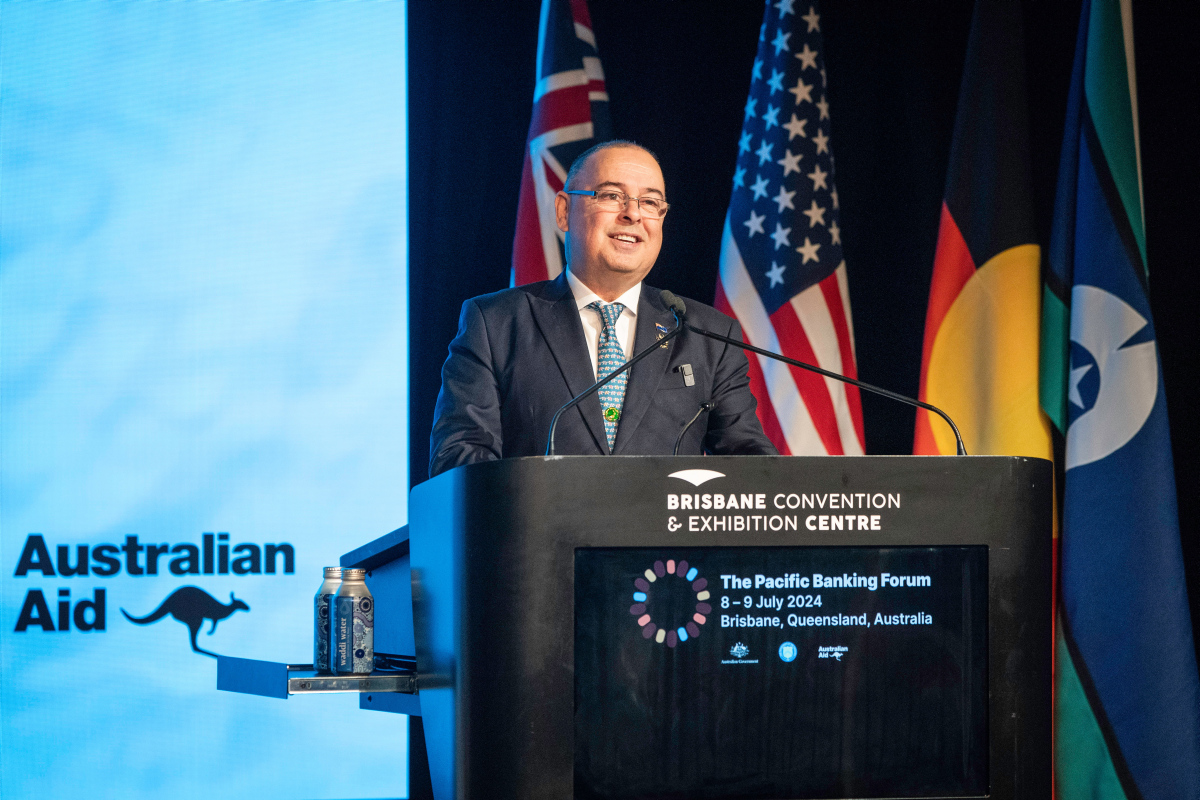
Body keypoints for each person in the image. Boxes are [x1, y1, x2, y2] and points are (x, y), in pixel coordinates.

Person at [429, 140, 776, 478]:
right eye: (612, 196)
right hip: (540, 534)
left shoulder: (706, 334)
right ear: (565, 211)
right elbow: (459, 461)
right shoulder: (496, 324)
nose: (633, 214)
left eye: (650, 202)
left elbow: (751, 464)